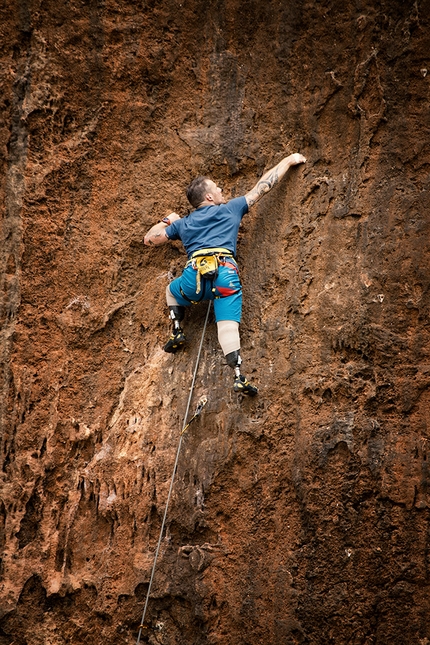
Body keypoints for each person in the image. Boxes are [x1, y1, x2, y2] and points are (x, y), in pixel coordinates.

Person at [144, 152, 306, 395]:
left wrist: (169, 220)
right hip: (225, 276)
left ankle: (177, 331)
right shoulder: (231, 209)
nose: (221, 190)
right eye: (217, 188)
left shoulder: (183, 224)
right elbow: (263, 186)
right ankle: (239, 376)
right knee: (227, 326)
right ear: (209, 196)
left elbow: (149, 239)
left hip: (193, 279)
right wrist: (288, 160)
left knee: (171, 291)